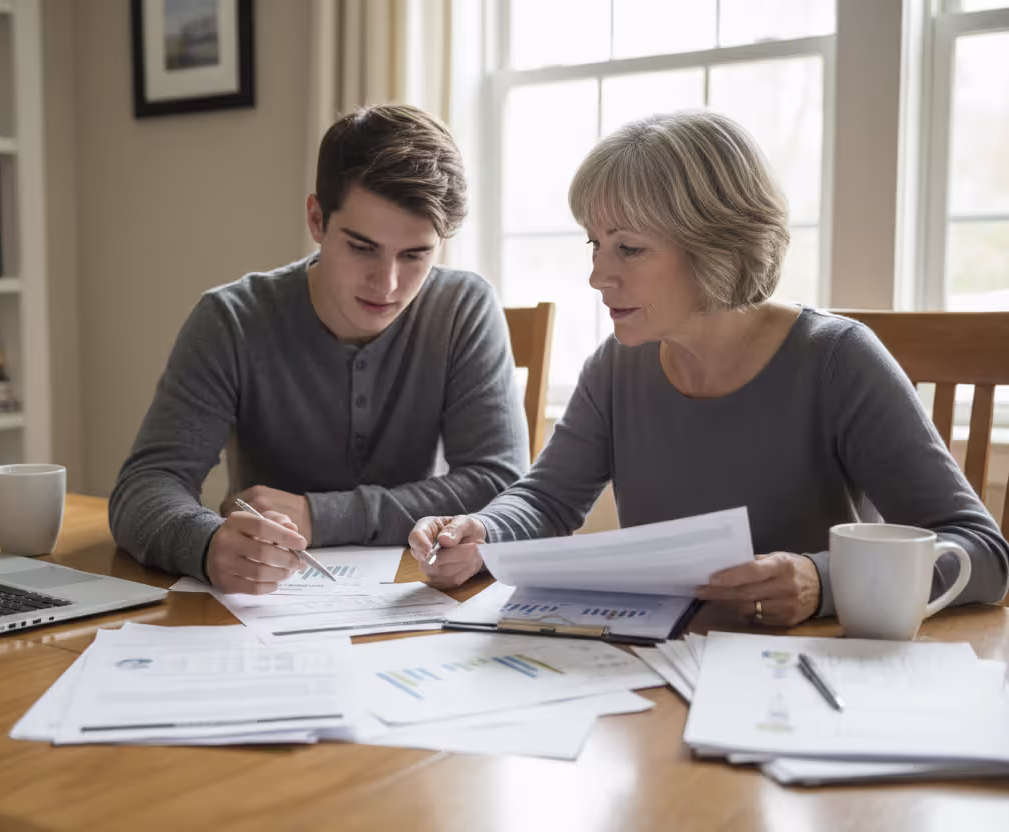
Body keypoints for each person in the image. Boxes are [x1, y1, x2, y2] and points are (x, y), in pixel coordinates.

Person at [407, 111, 1009, 626]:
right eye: (594, 244)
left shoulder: (837, 360)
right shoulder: (617, 366)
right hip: (665, 666)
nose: (597, 276)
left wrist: (821, 581)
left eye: (630, 248)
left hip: (811, 671)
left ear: (714, 245)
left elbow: (983, 552)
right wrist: (484, 532)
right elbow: (545, 500)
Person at [111, 104, 530, 595]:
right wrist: (205, 545)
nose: (388, 284)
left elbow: (500, 484)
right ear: (316, 219)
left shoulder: (463, 307)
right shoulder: (232, 319)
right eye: (362, 247)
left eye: (415, 255)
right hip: (260, 606)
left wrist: (320, 516)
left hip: (415, 601)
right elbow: (145, 487)